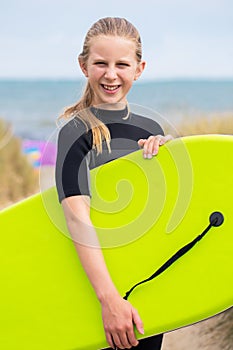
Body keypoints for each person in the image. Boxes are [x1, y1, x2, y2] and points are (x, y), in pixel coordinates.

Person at [55, 17, 172, 349]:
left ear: (139, 68)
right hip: (99, 293)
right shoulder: (76, 133)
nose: (111, 74)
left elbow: (166, 213)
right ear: (83, 65)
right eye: (100, 63)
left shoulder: (150, 128)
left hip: (147, 286)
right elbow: (77, 218)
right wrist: (109, 300)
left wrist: (164, 155)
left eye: (122, 64)